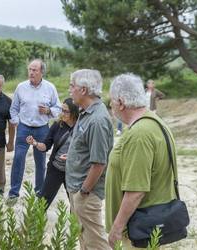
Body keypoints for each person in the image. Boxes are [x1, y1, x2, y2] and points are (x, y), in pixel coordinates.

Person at [106, 74, 178, 249]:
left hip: (136, 232)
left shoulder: (139, 134)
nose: (110, 106)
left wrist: (116, 228)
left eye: (111, 102)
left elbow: (136, 190)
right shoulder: (155, 123)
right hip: (147, 227)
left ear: (121, 102)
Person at [66, 69, 113, 250]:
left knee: (96, 243)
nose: (70, 90)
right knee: (84, 241)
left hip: (86, 192)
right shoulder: (86, 112)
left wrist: (83, 192)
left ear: (83, 90)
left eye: (72, 86)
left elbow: (99, 163)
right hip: (78, 188)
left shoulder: (97, 120)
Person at [7, 59, 62, 205]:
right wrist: (16, 122)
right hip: (24, 127)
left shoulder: (50, 88)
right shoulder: (21, 87)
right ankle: (13, 193)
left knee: (41, 162)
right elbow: (13, 109)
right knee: (18, 159)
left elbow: (59, 109)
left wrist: (49, 110)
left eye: (34, 70)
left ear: (41, 72)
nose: (31, 72)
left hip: (43, 129)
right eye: (30, 69)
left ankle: (39, 193)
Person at [26, 98, 79, 210]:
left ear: (74, 112)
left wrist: (72, 157)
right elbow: (45, 146)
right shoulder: (57, 125)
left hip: (73, 170)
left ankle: (75, 227)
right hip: (56, 168)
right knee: (42, 201)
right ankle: (32, 225)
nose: (62, 113)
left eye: (66, 111)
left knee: (76, 205)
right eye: (62, 110)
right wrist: (35, 143)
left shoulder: (81, 127)